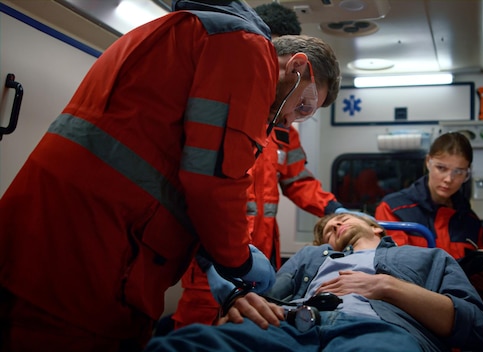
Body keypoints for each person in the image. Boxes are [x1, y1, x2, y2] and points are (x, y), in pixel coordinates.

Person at [0, 0, 340, 350]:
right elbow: (213, 183)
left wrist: (217, 260)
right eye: (303, 106)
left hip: (55, 231)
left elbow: (180, 167)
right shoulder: (247, 51)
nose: (289, 121)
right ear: (296, 65)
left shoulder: (194, 34)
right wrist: (236, 261)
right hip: (90, 251)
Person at [171, 2, 346, 330]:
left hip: (259, 255)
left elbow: (298, 180)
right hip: (212, 252)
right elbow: (206, 187)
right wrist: (215, 261)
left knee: (254, 333)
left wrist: (335, 209)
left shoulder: (283, 128)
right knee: (196, 330)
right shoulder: (223, 98)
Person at [144, 212, 483, 351]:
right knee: (183, 345)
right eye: (327, 229)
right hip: (292, 324)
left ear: (376, 226)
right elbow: (271, 297)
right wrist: (239, 300)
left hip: (379, 331)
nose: (334, 225)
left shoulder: (426, 258)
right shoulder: (311, 258)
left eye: (342, 218)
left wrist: (384, 287)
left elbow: (477, 328)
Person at [374, 132, 483, 260]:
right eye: (441, 168)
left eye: (459, 172)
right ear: (428, 162)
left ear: (467, 172)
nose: (449, 179)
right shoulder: (393, 209)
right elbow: (396, 268)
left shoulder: (470, 221)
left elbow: (480, 275)